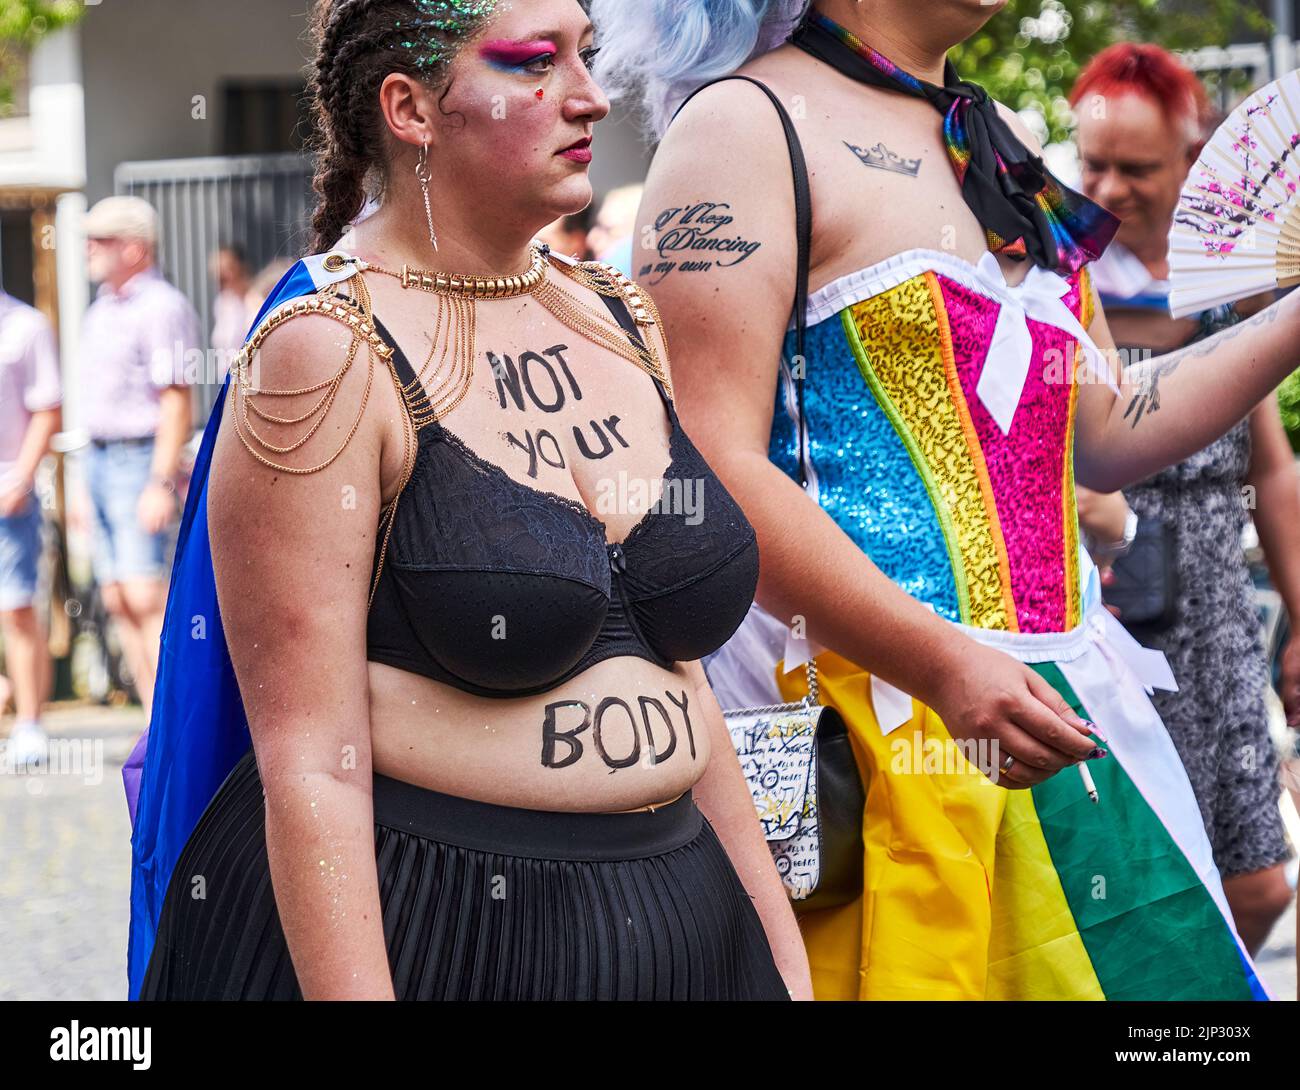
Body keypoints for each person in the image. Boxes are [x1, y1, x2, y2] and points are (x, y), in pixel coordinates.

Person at [595, 0, 1288, 999]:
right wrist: (945, 663)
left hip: (1073, 726)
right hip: (884, 734)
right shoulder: (744, 126)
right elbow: (705, 459)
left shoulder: (986, 134)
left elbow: (1105, 428)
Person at [128, 0, 809, 1001]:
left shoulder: (621, 317)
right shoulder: (325, 350)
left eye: (585, 54)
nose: (589, 94)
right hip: (449, 931)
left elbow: (688, 690)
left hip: (685, 915)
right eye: (535, 63)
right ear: (408, 107)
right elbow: (311, 765)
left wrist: (780, 965)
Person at [1070, 43, 1296, 957]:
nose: (1111, 188)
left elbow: (1272, 467)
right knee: (1145, 875)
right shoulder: (1056, 281)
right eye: (1093, 165)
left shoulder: (1231, 293)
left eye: (1139, 168)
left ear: (1191, 163)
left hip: (1217, 621)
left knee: (1258, 877)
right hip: (1114, 620)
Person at [79, 195, 197, 718]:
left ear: (134, 247)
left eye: (100, 239)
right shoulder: (102, 307)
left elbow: (175, 398)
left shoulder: (161, 306)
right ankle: (153, 717)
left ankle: (171, 719)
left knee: (146, 593)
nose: (88, 248)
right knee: (116, 596)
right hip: (101, 459)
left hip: (139, 459)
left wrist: (159, 481)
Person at [0, 289, 61, 766]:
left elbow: (47, 408)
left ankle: (29, 723)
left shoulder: (25, 326)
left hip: (8, 490)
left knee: (16, 609)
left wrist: (21, 477)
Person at [209, 244, 252, 365]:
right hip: (228, 378)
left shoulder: (254, 300)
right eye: (218, 271)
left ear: (241, 268)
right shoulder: (222, 303)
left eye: (227, 269)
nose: (221, 277)